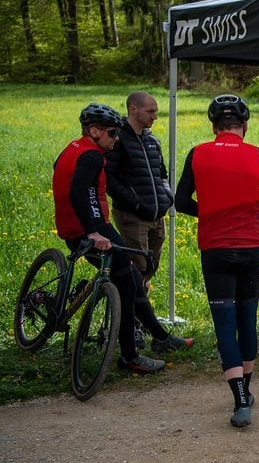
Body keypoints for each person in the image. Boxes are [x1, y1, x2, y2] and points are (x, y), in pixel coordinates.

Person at [53, 103, 192, 375]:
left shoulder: (73, 148)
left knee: (129, 277)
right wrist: (93, 232)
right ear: (94, 131)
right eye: (113, 134)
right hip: (89, 228)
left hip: (78, 226)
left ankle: (160, 337)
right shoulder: (92, 156)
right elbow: (79, 193)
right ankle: (130, 356)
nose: (116, 139)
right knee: (128, 283)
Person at [174, 95, 259, 428]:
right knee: (246, 318)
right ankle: (246, 390)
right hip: (250, 246)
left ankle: (239, 401)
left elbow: (180, 201)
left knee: (224, 323)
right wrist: (251, 213)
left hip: (215, 248)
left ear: (214, 127)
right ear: (245, 126)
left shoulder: (198, 153)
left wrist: (209, 211)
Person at [104, 91, 174, 352]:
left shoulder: (152, 140)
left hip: (157, 216)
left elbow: (161, 173)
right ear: (133, 109)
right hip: (133, 217)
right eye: (150, 112)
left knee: (148, 270)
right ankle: (132, 327)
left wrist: (167, 197)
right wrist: (134, 203)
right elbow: (110, 179)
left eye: (156, 112)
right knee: (135, 270)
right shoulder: (118, 139)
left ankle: (138, 319)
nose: (154, 116)